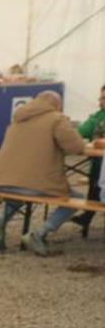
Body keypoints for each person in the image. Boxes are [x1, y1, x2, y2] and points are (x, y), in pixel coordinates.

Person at [0, 90, 105, 254]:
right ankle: (39, 233)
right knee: (77, 199)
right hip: (34, 186)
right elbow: (76, 147)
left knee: (22, 185)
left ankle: (0, 221)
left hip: (1, 183)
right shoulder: (56, 118)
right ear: (56, 105)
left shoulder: (18, 119)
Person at [70, 83, 105, 230]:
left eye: (104, 98)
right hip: (98, 157)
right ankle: (88, 214)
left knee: (97, 175)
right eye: (101, 97)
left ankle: (88, 215)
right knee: (96, 173)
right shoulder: (98, 115)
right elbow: (81, 131)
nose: (101, 101)